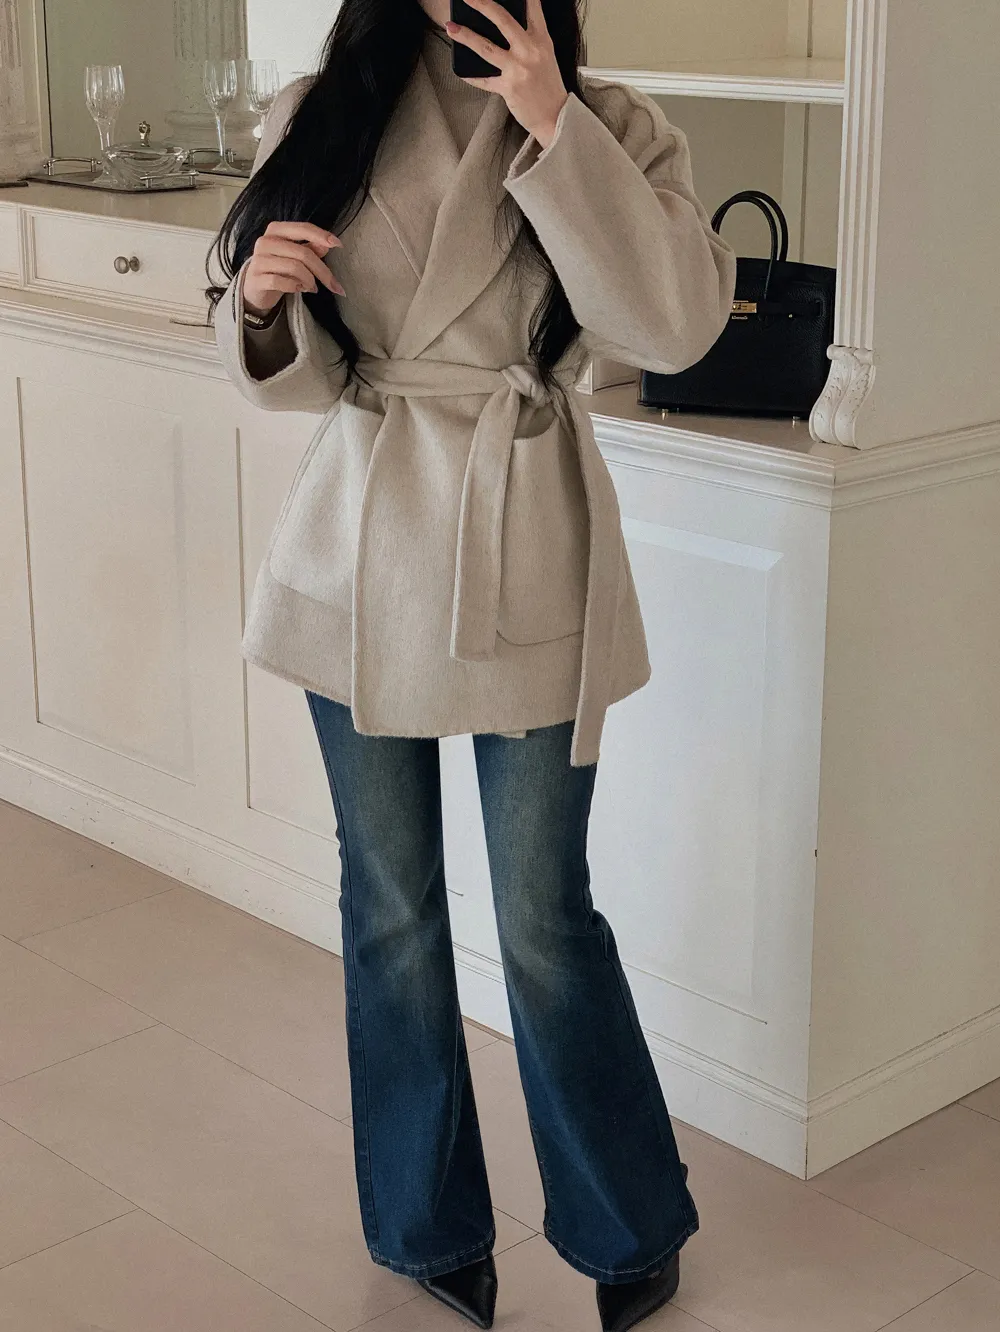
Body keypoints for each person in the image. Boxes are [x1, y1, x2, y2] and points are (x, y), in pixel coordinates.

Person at [208, 1, 736, 1327]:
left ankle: (625, 1220)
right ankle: (424, 1220)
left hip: (531, 534)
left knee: (546, 915)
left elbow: (675, 329)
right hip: (362, 541)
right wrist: (259, 305)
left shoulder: (615, 126)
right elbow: (300, 376)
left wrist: (555, 126)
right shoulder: (316, 115)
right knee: (390, 911)